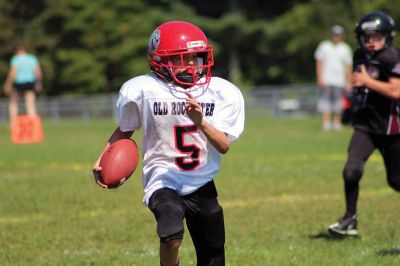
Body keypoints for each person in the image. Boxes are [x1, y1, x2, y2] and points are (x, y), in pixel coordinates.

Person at [93, 21, 245, 265]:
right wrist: (103, 157)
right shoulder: (144, 89)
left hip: (201, 180)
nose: (192, 64)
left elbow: (223, 146)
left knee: (213, 252)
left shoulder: (220, 92)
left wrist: (201, 121)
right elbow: (126, 129)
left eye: (196, 57)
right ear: (160, 61)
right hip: (162, 179)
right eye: (182, 58)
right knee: (171, 232)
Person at [328, 11, 400, 236]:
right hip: (366, 124)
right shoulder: (359, 55)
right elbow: (361, 86)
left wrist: (368, 81)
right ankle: (350, 219)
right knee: (351, 170)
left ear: (388, 37)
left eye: (376, 36)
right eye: (367, 37)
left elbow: (396, 91)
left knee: (396, 181)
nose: (371, 41)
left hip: (392, 127)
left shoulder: (392, 56)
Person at [315, 25, 353, 131]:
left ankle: (337, 123)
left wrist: (348, 81)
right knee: (325, 102)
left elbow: (348, 67)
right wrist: (320, 78)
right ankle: (326, 123)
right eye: (334, 34)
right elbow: (319, 63)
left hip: (339, 81)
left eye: (338, 35)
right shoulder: (324, 46)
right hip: (326, 80)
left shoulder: (345, 48)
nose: (336, 37)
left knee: (338, 103)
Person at [3, 45, 43, 124]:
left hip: (19, 83)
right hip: (30, 83)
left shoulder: (16, 59)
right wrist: (38, 83)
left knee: (13, 102)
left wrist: (8, 84)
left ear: (17, 51)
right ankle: (33, 123)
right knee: (30, 103)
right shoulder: (32, 58)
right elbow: (38, 72)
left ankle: (13, 123)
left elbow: (13, 73)